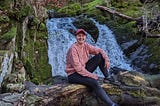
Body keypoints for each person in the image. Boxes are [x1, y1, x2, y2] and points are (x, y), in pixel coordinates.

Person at [65, 29, 118, 106]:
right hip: (74, 75)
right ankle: (112, 104)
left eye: (82, 36)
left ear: (85, 37)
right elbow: (78, 69)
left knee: (100, 56)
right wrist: (92, 76)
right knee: (94, 82)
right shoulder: (73, 49)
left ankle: (107, 77)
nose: (81, 37)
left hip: (83, 69)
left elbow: (99, 50)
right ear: (76, 37)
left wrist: (107, 59)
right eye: (79, 36)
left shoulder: (86, 45)